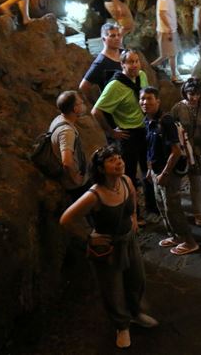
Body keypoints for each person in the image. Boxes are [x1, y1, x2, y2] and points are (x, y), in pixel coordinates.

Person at [60, 146, 157, 349]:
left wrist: (134, 220)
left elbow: (132, 199)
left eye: (119, 157)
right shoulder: (94, 195)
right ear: (101, 169)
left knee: (136, 279)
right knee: (112, 288)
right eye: (112, 160)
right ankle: (122, 326)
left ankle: (136, 313)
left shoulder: (125, 180)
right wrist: (88, 237)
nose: (119, 162)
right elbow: (66, 219)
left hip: (128, 240)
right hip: (108, 248)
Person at [140, 86, 198, 255]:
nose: (145, 102)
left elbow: (176, 151)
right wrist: (151, 170)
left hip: (168, 173)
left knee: (173, 208)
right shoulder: (147, 120)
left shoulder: (165, 121)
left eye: (149, 98)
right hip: (157, 171)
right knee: (162, 206)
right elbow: (151, 149)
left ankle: (189, 241)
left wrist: (165, 174)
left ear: (158, 101)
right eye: (142, 99)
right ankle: (175, 236)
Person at [91, 50, 148, 198]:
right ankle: (133, 209)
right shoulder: (115, 85)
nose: (135, 65)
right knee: (128, 172)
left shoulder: (142, 76)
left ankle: (151, 204)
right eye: (130, 62)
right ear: (122, 64)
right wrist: (111, 132)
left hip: (144, 129)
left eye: (137, 61)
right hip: (128, 134)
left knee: (147, 168)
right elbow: (96, 111)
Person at [171, 78, 201, 226]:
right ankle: (198, 212)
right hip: (189, 151)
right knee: (195, 181)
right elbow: (171, 129)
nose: (194, 97)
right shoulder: (178, 109)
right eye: (191, 93)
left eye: (197, 94)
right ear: (185, 92)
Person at [50, 91, 89, 201]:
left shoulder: (59, 119)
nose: (83, 104)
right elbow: (67, 162)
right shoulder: (67, 131)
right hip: (75, 184)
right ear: (75, 109)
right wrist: (75, 178)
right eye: (80, 103)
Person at [80, 23, 123, 104]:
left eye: (118, 35)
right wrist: (96, 104)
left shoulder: (123, 54)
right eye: (113, 36)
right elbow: (83, 87)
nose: (117, 38)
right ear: (104, 39)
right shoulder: (100, 63)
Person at [151, 0, 182, 83]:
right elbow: (162, 14)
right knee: (171, 54)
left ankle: (152, 67)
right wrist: (168, 29)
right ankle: (173, 76)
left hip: (170, 30)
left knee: (168, 54)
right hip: (166, 31)